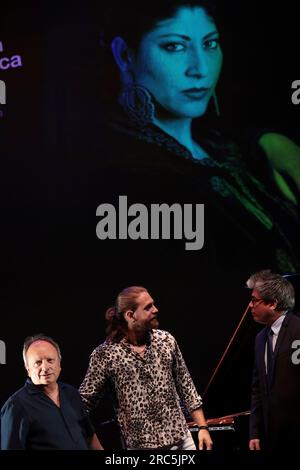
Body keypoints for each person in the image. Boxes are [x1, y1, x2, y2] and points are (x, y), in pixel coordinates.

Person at [79, 286, 213, 450]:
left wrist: (203, 427)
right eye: (148, 307)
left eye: (153, 304)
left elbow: (186, 386)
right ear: (130, 315)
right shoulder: (105, 354)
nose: (156, 310)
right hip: (142, 447)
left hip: (181, 441)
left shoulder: (165, 340)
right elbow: (83, 402)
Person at [0, 334, 104, 450]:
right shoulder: (16, 406)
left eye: (50, 360)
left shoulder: (71, 393)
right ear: (28, 368)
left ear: (59, 364)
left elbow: (90, 438)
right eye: (38, 362)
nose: (45, 367)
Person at [247, 270, 300, 450]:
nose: (250, 305)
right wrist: (254, 431)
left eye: (254, 300)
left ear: (272, 303)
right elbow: (257, 389)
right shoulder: (260, 338)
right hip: (272, 437)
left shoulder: (298, 330)